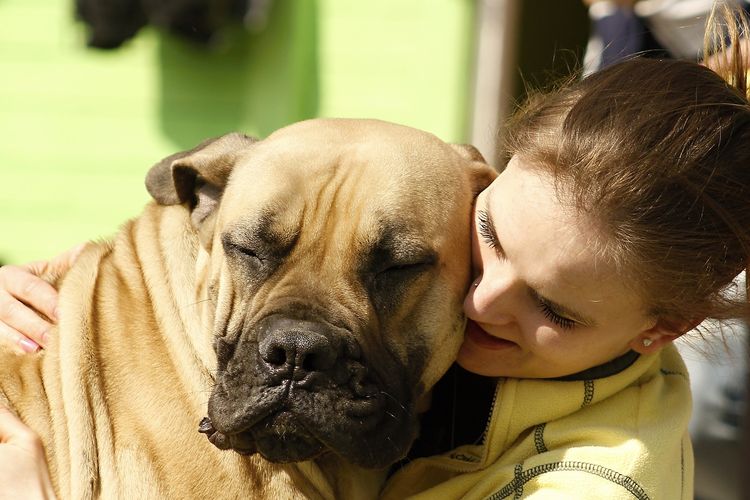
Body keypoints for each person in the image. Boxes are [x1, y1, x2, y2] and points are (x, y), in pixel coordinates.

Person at [2, 4, 750, 497]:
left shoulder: (600, 476)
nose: (482, 300)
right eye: (487, 241)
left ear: (663, 328)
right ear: (201, 208)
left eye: (392, 269)